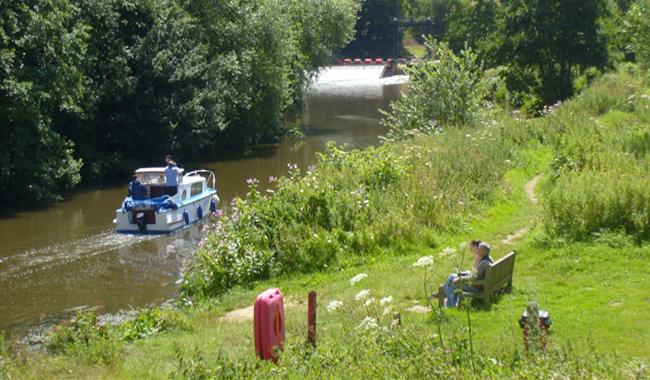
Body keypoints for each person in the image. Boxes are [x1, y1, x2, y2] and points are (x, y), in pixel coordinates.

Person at [441, 240, 494, 307]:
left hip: (476, 286)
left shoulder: (484, 263)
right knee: (452, 276)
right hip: (482, 284)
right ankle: (447, 297)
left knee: (451, 283)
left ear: (483, 252)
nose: (477, 250)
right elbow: (475, 274)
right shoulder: (488, 259)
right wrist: (464, 273)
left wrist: (461, 279)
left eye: (479, 249)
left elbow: (473, 277)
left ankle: (450, 304)